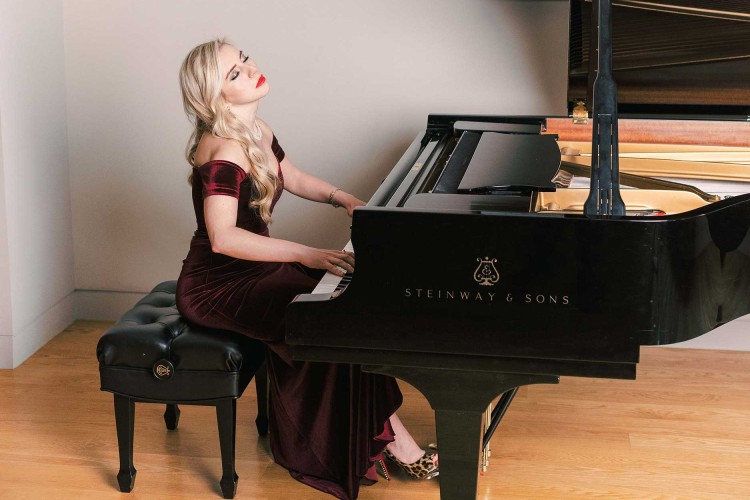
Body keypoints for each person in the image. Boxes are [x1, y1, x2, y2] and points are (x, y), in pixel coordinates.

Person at [175, 39, 438, 499]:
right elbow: (223, 238)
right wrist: (307, 254)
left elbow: (290, 177)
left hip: (253, 271)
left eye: (244, 59)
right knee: (332, 320)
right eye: (234, 73)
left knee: (347, 308)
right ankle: (389, 445)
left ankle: (379, 436)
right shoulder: (221, 153)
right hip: (218, 286)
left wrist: (346, 200)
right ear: (215, 96)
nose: (250, 68)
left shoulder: (255, 130)